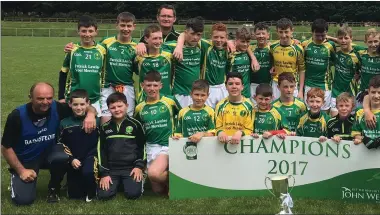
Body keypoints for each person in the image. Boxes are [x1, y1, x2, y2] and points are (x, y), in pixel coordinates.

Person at [1, 82, 97, 205]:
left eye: (49, 98)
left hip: (49, 154)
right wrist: (21, 171)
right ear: (30, 97)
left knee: (62, 156)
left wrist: (90, 114)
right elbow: (5, 147)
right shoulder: (17, 116)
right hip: (27, 158)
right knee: (23, 200)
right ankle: (16, 178)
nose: (45, 102)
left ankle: (54, 188)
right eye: (40, 98)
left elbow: (84, 106)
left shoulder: (56, 108)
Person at [63, 12, 138, 122]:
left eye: (128, 25)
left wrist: (142, 44)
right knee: (105, 118)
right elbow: (91, 47)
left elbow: (137, 69)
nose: (125, 28)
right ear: (116, 25)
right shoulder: (105, 43)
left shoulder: (137, 46)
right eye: (122, 25)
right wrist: (71, 47)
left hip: (127, 87)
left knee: (127, 118)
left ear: (133, 27)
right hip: (108, 87)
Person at [134, 71, 181, 196]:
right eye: (148, 85)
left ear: (161, 85)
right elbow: (138, 129)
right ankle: (172, 177)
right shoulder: (140, 108)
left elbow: (182, 116)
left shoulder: (169, 101)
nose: (152, 89)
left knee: (154, 174)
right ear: (143, 85)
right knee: (158, 191)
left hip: (167, 145)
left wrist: (178, 133)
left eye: (155, 85)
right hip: (151, 147)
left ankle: (177, 180)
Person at [97, 92, 145, 200]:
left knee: (133, 194)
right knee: (104, 196)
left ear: (127, 106)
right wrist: (104, 173)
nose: (117, 109)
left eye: (120, 106)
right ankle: (118, 182)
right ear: (109, 109)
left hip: (130, 168)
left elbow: (142, 146)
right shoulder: (104, 128)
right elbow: (101, 150)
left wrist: (138, 166)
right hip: (111, 169)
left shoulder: (135, 125)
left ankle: (128, 182)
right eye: (113, 107)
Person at [59, 15, 106, 117]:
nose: (87, 34)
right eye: (84, 31)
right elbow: (63, 72)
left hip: (95, 98)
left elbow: (105, 73)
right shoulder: (72, 49)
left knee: (93, 129)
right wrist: (61, 96)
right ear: (78, 32)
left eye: (90, 31)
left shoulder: (102, 50)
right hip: (74, 100)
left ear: (96, 32)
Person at [58, 89, 99, 202]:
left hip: (91, 156)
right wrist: (71, 159)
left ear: (88, 104)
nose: (79, 108)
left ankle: (92, 191)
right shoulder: (64, 123)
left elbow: (102, 142)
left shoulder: (96, 121)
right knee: (74, 195)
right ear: (70, 104)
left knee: (88, 172)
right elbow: (61, 144)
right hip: (74, 158)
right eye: (75, 104)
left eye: (82, 104)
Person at [161, 17, 207, 108]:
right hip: (178, 93)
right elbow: (154, 45)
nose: (195, 37)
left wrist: (229, 43)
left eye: (199, 34)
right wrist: (142, 44)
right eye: (192, 34)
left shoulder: (202, 45)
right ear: (186, 32)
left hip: (197, 94)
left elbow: (219, 42)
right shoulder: (172, 46)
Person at [301, 19, 336, 113]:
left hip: (325, 85)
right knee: (309, 112)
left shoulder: (330, 45)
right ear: (312, 32)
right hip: (309, 84)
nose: (320, 38)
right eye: (317, 35)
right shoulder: (305, 44)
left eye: (323, 35)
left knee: (324, 113)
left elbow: (335, 60)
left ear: (327, 33)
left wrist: (333, 39)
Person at [135, 24, 173, 103]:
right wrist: (140, 44)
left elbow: (184, 37)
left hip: (166, 98)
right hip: (145, 99)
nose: (158, 41)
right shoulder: (139, 56)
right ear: (146, 39)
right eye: (155, 38)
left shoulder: (168, 54)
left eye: (160, 38)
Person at [270, 18, 305, 100]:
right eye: (281, 32)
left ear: (292, 31)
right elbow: (272, 62)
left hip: (292, 84)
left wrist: (300, 91)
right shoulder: (272, 47)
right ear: (277, 31)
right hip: (276, 84)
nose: (283, 35)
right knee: (276, 110)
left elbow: (302, 70)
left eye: (286, 32)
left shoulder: (298, 49)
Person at [216, 72, 254, 144]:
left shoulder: (249, 106)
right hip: (223, 145)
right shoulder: (220, 105)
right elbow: (217, 127)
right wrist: (220, 132)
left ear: (242, 86)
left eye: (237, 84)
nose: (234, 86)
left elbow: (249, 129)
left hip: (243, 145)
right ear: (226, 86)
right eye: (230, 84)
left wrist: (240, 133)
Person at [330, 25, 360, 116]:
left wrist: (359, 75)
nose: (343, 40)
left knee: (350, 123)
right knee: (335, 120)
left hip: (351, 93)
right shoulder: (336, 54)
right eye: (340, 38)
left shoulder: (358, 54)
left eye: (346, 38)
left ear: (351, 38)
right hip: (336, 92)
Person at [228, 26, 259, 101]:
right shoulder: (230, 52)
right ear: (236, 40)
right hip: (232, 94)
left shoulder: (250, 51)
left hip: (246, 94)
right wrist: (228, 41)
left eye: (248, 42)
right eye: (242, 41)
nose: (245, 44)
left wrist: (254, 58)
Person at [352, 75, 380, 149]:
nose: (376, 96)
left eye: (379, 92)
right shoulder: (359, 112)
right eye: (373, 92)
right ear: (368, 92)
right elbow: (355, 133)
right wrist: (363, 139)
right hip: (364, 155)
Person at [356, 29, 380, 107]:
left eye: (376, 41)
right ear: (365, 42)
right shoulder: (361, 53)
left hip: (377, 94)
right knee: (360, 116)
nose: (373, 44)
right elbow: (347, 42)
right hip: (363, 93)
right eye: (370, 42)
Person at [250, 22, 272, 104]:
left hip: (268, 84)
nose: (261, 36)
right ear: (255, 35)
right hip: (253, 84)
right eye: (258, 34)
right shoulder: (250, 48)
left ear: (268, 35)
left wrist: (294, 40)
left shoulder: (272, 47)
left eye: (263, 33)